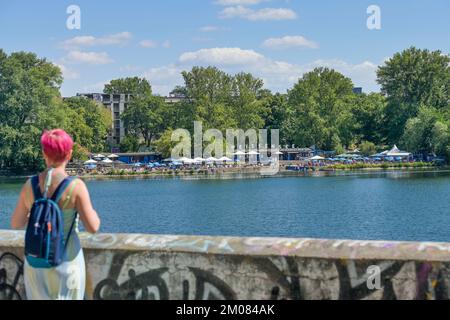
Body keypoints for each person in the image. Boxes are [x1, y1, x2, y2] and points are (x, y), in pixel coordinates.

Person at [10, 129, 101, 300]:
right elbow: (93, 227)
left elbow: (16, 223)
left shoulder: (31, 185)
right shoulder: (76, 186)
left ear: (44, 153)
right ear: (69, 153)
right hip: (68, 263)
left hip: (36, 264)